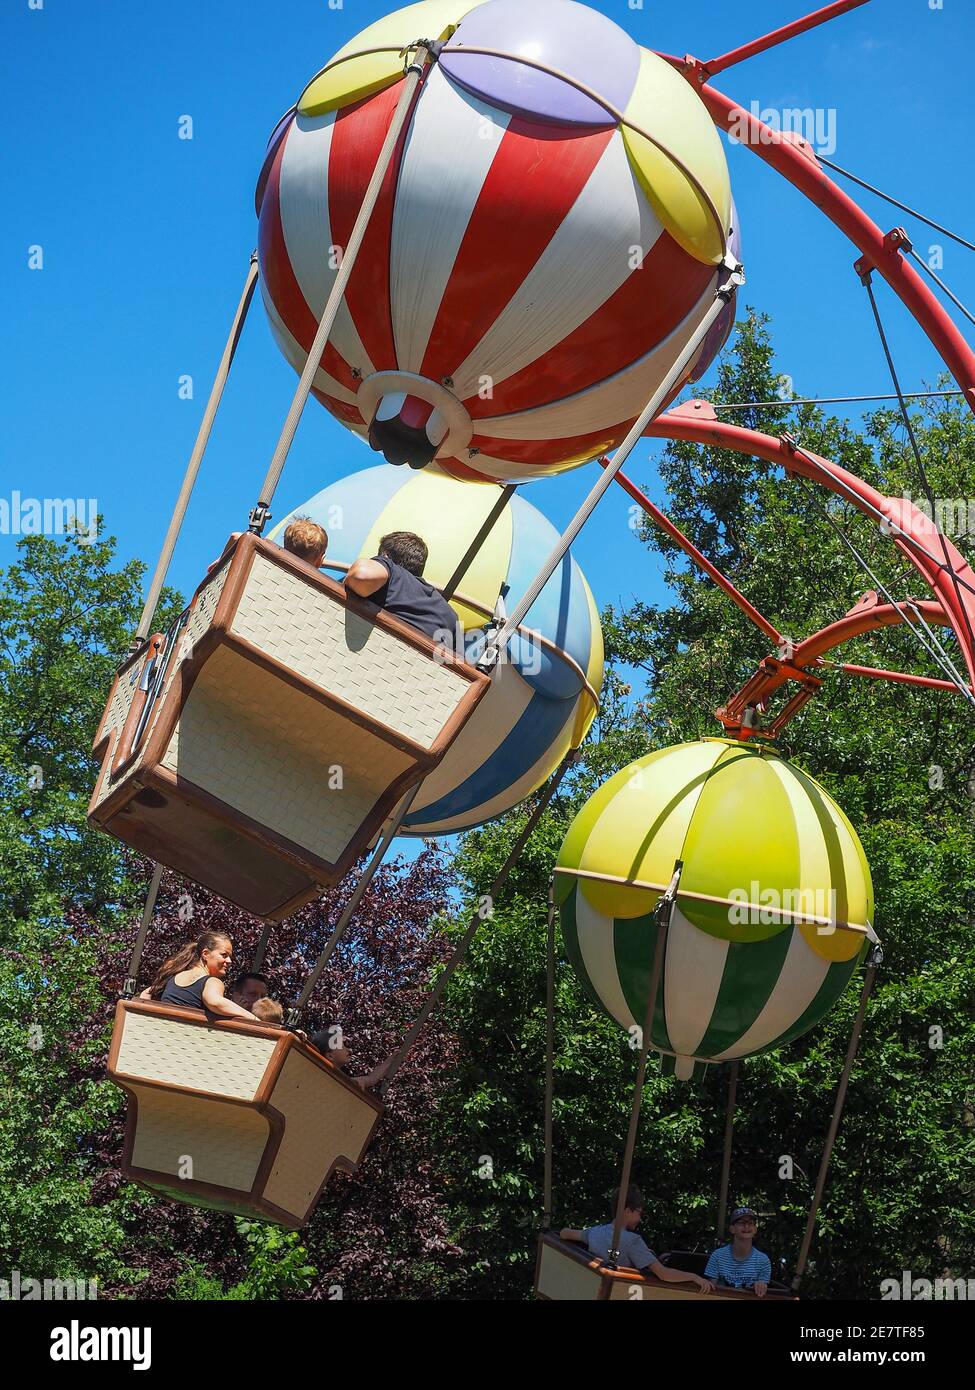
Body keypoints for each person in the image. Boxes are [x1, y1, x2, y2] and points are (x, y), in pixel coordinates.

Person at [560, 1185, 713, 1292]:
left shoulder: (595, 1232)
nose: (640, 1219)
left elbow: (565, 1233)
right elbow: (664, 1274)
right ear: (627, 1211)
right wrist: (694, 1277)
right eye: (639, 1213)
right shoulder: (632, 1241)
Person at [343, 531, 462, 649]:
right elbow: (459, 664)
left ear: (385, 557)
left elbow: (360, 575)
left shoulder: (392, 571)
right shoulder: (451, 616)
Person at [145, 931, 256, 1023]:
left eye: (230, 957)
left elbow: (146, 994)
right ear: (205, 954)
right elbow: (215, 1002)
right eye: (224, 955)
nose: (229, 961)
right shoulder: (211, 982)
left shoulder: (174, 976)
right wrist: (253, 1019)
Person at [704, 1206, 772, 1296]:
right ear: (732, 1229)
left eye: (750, 1223)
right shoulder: (717, 1256)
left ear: (755, 1229)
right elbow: (711, 1290)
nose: (746, 1226)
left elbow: (762, 1292)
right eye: (741, 1223)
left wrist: (761, 1285)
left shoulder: (763, 1260)